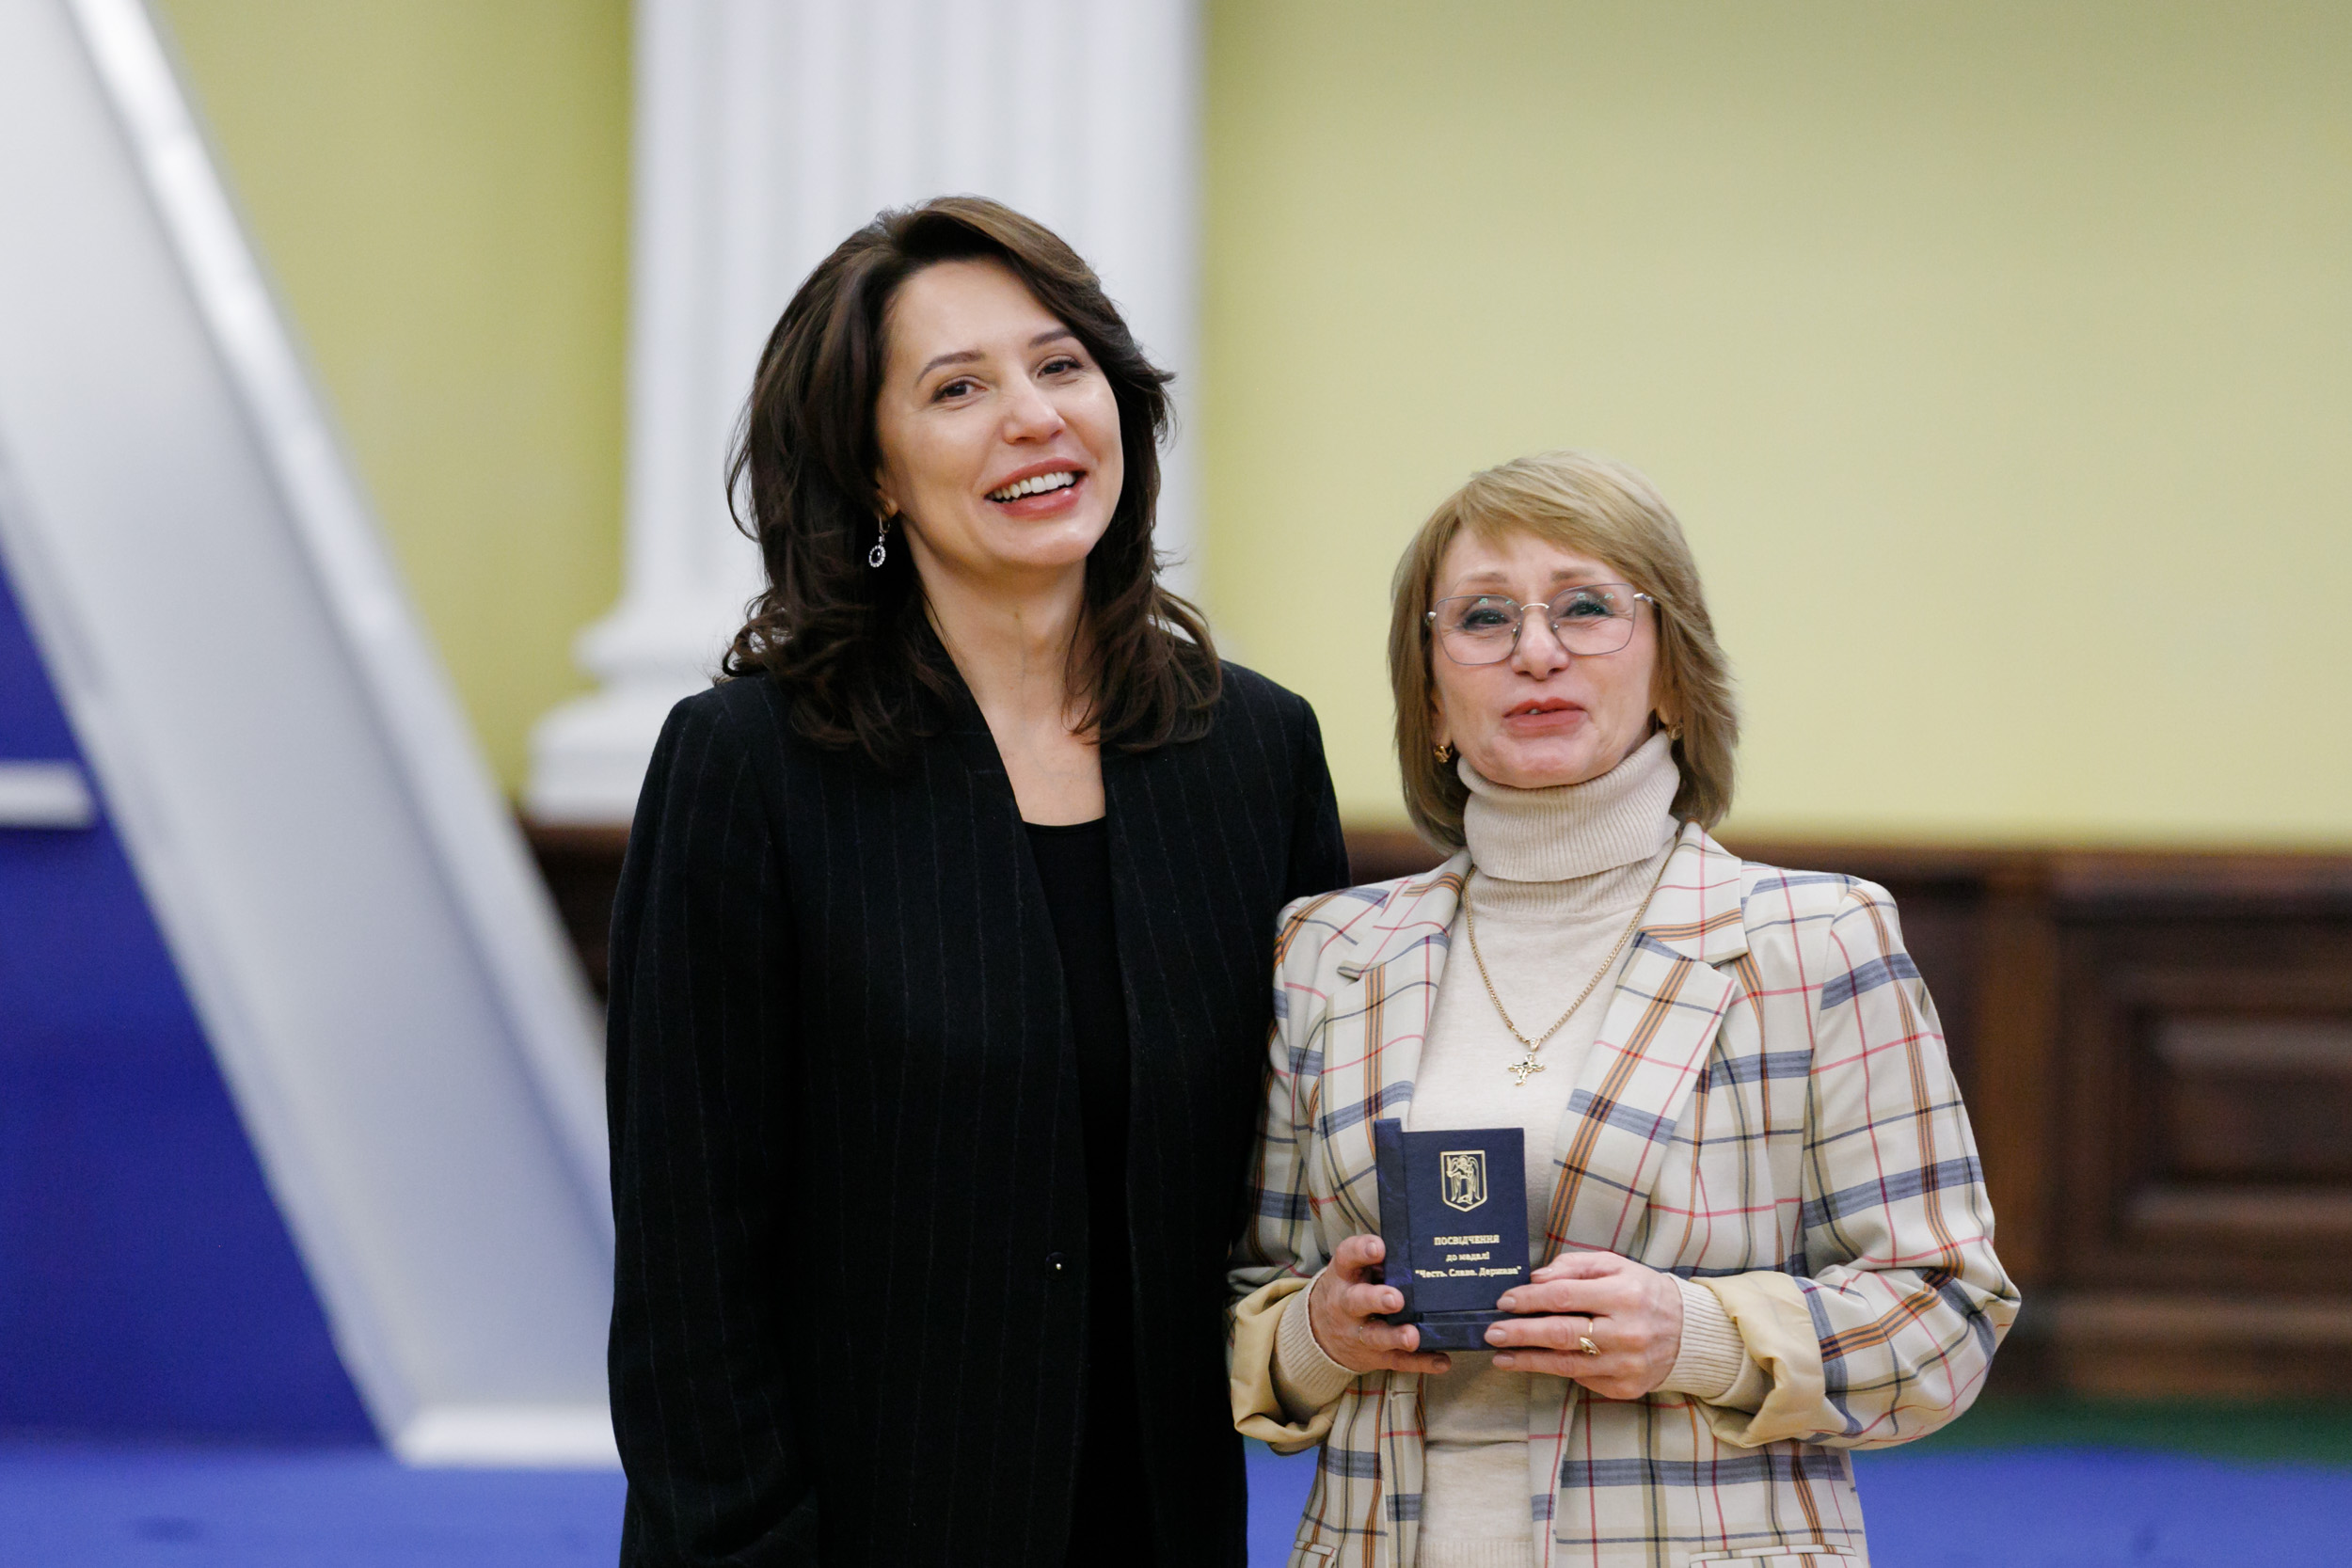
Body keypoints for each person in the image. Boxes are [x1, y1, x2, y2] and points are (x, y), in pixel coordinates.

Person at [607, 197, 1348, 1567]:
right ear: (873, 469)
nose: (1033, 416)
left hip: (1160, 1524)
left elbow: (1286, 1192)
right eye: (958, 388)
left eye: (1061, 365)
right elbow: (686, 1258)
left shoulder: (1254, 751)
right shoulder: (748, 764)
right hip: (837, 1533)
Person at [1229, 451, 2017, 1567]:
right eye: (1484, 615)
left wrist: (1698, 1336)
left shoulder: (1817, 939)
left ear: (1671, 673)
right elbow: (1238, 1303)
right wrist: (1317, 1331)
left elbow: (1947, 1314)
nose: (1535, 649)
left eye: (1586, 606)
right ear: (1431, 695)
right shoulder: (1324, 952)